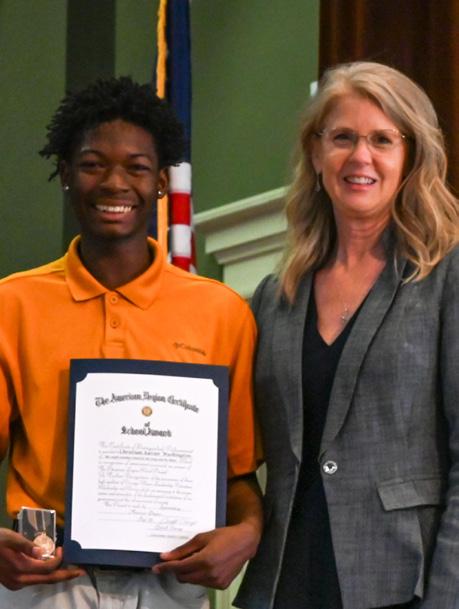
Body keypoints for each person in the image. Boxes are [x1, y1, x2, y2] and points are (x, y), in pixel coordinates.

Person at [0, 76, 262, 609]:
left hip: (173, 582)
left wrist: (249, 531)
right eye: (93, 164)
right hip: (47, 579)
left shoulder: (221, 313)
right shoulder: (13, 304)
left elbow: (238, 474)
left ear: (162, 182)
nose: (114, 183)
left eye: (137, 168)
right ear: (65, 174)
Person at [235, 62, 459, 609]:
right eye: (342, 138)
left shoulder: (447, 277)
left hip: (404, 586)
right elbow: (234, 449)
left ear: (411, 157)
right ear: (316, 154)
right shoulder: (274, 297)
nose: (361, 157)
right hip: (283, 585)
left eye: (382, 140)